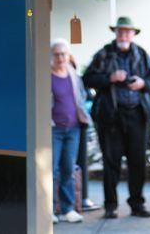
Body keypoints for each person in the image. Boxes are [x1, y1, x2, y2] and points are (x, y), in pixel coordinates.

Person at [83, 16, 150, 219]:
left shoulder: (141, 54)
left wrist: (143, 83)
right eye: (121, 31)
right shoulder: (104, 54)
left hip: (137, 115)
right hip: (111, 117)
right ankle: (110, 206)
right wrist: (109, 78)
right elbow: (87, 78)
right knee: (111, 163)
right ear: (115, 33)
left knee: (137, 162)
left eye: (128, 31)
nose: (124, 34)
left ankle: (137, 204)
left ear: (133, 34)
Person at [51, 40, 91, 224]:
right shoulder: (46, 76)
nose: (60, 58)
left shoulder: (74, 76)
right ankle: (49, 210)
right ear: (51, 56)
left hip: (73, 129)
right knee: (51, 170)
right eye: (56, 54)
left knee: (68, 169)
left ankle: (67, 209)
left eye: (63, 54)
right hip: (53, 130)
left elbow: (81, 97)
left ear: (69, 56)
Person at [67, 54, 99, 213]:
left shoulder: (79, 80)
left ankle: (81, 198)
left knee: (80, 164)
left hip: (80, 127)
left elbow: (88, 99)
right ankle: (65, 202)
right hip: (60, 128)